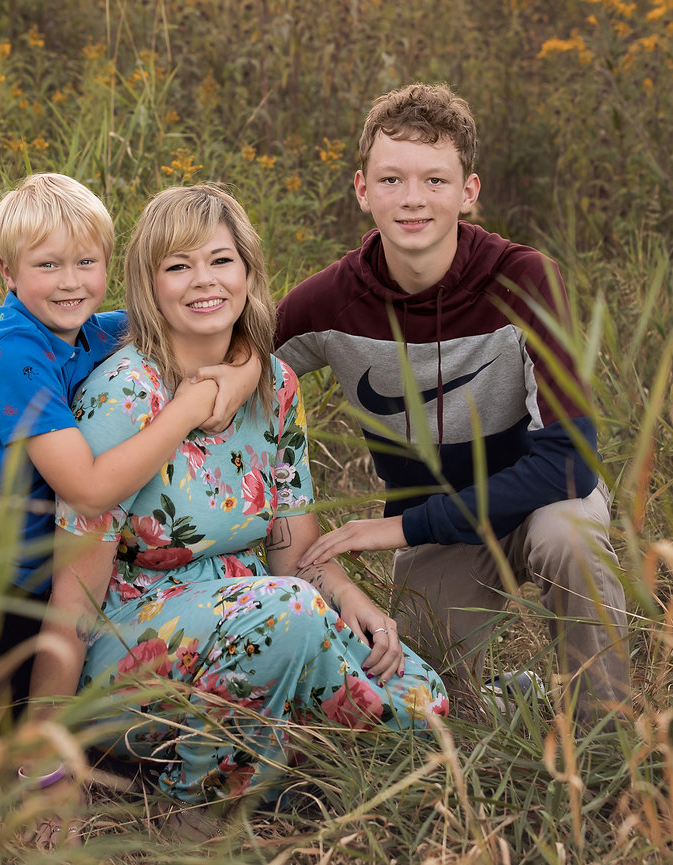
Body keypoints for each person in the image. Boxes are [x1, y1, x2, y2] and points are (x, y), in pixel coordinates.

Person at [30, 184, 448, 839]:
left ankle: (271, 770)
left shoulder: (276, 385)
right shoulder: (122, 394)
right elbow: (72, 597)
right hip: (128, 657)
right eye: (178, 265)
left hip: (254, 618)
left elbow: (294, 550)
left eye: (221, 261)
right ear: (150, 284)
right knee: (290, 618)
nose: (204, 281)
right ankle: (193, 810)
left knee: (422, 699)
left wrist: (349, 598)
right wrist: (42, 752)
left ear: (248, 271)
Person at [0, 174, 260, 812]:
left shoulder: (94, 330)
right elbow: (85, 491)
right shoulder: (14, 351)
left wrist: (242, 372)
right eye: (47, 265)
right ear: (7, 270)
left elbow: (221, 322)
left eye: (86, 262)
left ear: (109, 265)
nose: (71, 282)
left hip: (25, 571)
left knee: (41, 717)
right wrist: (189, 406)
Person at [274, 83, 629, 727]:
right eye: (391, 179)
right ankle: (511, 696)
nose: (413, 199)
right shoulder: (329, 303)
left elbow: (572, 462)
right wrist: (82, 324)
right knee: (427, 708)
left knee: (571, 540)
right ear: (362, 189)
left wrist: (396, 529)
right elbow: (225, 352)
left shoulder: (523, 280)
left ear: (468, 191)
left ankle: (605, 743)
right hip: (439, 530)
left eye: (435, 180)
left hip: (537, 501)